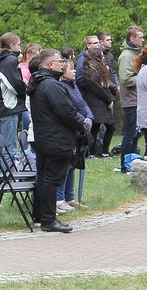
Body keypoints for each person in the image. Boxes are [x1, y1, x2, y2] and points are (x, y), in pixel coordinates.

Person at [27, 49, 86, 233]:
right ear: (50, 64)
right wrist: (81, 125)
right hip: (56, 139)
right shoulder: (51, 86)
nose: (62, 64)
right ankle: (48, 219)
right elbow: (66, 111)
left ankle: (40, 216)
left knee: (43, 178)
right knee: (51, 179)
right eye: (59, 61)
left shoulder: (39, 83)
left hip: (44, 137)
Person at [57, 59, 92, 211]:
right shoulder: (62, 88)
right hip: (72, 128)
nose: (75, 71)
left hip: (81, 126)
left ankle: (70, 197)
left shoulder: (74, 86)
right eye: (71, 69)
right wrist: (81, 121)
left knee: (73, 164)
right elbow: (69, 108)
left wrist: (89, 117)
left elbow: (83, 104)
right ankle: (60, 198)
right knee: (65, 165)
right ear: (63, 74)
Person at [0, 32, 27, 164]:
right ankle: (8, 177)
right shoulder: (10, 60)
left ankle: (5, 175)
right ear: (12, 45)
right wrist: (25, 89)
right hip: (9, 106)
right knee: (9, 147)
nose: (19, 47)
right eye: (18, 45)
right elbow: (13, 83)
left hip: (2, 107)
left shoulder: (2, 60)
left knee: (5, 144)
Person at [77, 47, 117, 159]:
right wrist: (109, 99)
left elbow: (105, 85)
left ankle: (98, 152)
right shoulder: (90, 71)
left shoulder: (99, 69)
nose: (103, 57)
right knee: (100, 127)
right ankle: (94, 152)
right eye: (101, 55)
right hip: (95, 102)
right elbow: (98, 89)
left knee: (105, 127)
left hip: (101, 102)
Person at [117, 26, 144, 172]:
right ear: (132, 39)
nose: (143, 40)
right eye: (140, 37)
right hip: (131, 100)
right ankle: (125, 165)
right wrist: (144, 76)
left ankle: (132, 162)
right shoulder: (127, 56)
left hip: (137, 99)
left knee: (136, 133)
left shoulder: (136, 53)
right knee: (130, 133)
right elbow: (126, 79)